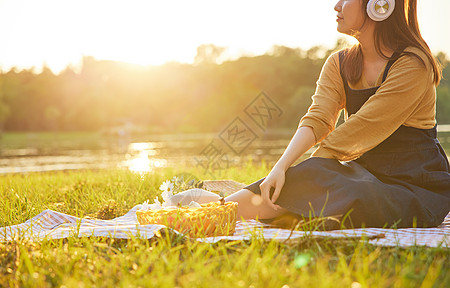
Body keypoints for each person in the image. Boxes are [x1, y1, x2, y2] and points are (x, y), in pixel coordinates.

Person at [176, 0, 450, 228]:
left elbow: (364, 127)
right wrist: (281, 167)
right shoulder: (339, 63)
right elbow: (318, 119)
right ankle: (223, 206)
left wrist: (308, 171)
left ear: (380, 5)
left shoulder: (414, 63)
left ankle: (218, 210)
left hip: (415, 186)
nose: (336, 6)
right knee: (323, 189)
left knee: (336, 190)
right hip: (366, 174)